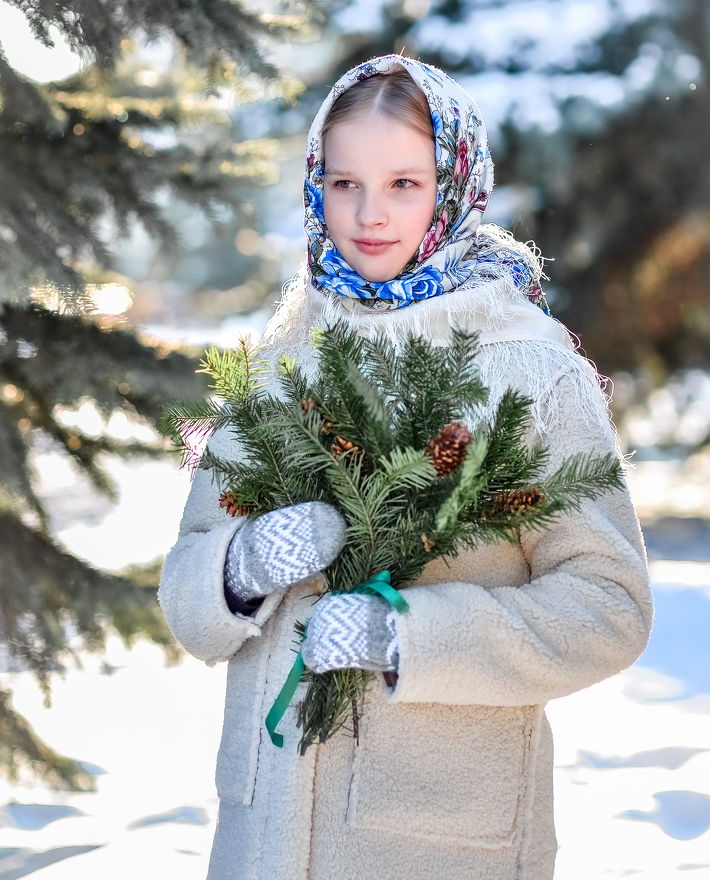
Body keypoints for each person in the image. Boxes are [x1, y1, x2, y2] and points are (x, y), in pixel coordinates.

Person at [157, 53, 653, 880]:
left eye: (403, 184)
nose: (368, 214)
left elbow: (608, 607)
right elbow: (186, 594)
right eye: (343, 183)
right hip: (262, 840)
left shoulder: (529, 372)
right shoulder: (280, 365)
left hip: (435, 841)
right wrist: (238, 570)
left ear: (454, 185)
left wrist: (409, 637)